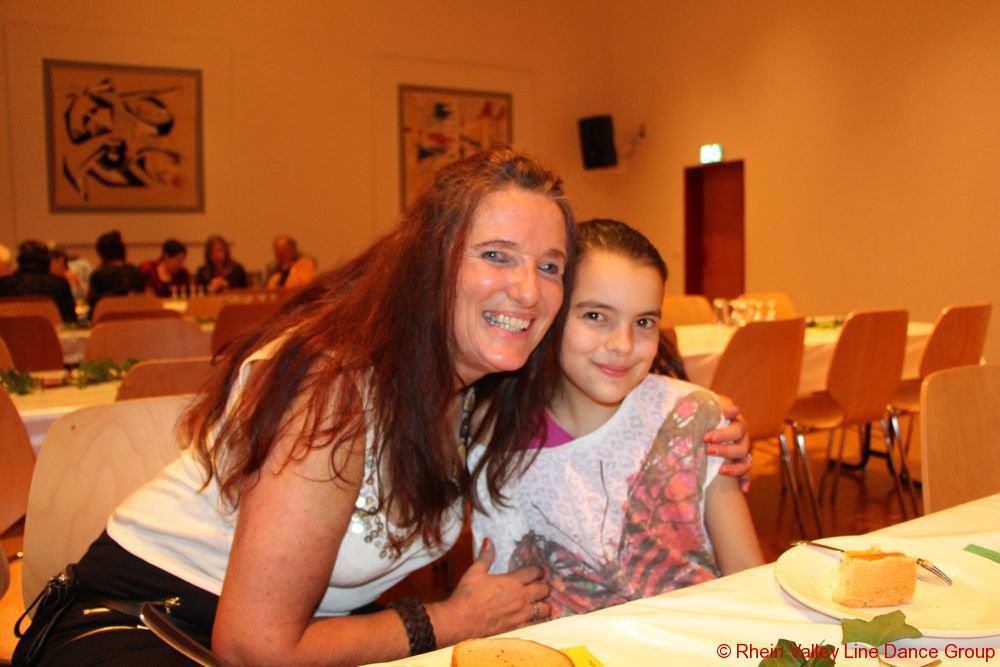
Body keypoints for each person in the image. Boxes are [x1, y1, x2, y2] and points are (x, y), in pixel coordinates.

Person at [19, 150, 749, 666]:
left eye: (549, 266)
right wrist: (452, 619)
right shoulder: (336, 387)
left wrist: (703, 421)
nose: (528, 290)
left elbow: (603, 385)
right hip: (150, 627)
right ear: (431, 260)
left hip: (310, 636)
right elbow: (253, 645)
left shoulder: (487, 388)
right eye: (496, 255)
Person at [471, 219, 763, 618]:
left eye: (643, 322)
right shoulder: (497, 439)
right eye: (595, 316)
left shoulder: (692, 419)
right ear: (553, 314)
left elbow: (746, 572)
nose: (623, 345)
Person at [0, 240, 77, 323]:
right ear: (47, 260)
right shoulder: (59, 284)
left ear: (19, 260)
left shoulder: (4, 284)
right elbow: (70, 320)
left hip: (12, 331)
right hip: (50, 331)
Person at [86, 230, 145, 317]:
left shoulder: (98, 276)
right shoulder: (137, 273)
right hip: (137, 320)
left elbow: (91, 304)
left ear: (102, 255)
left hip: (106, 322)